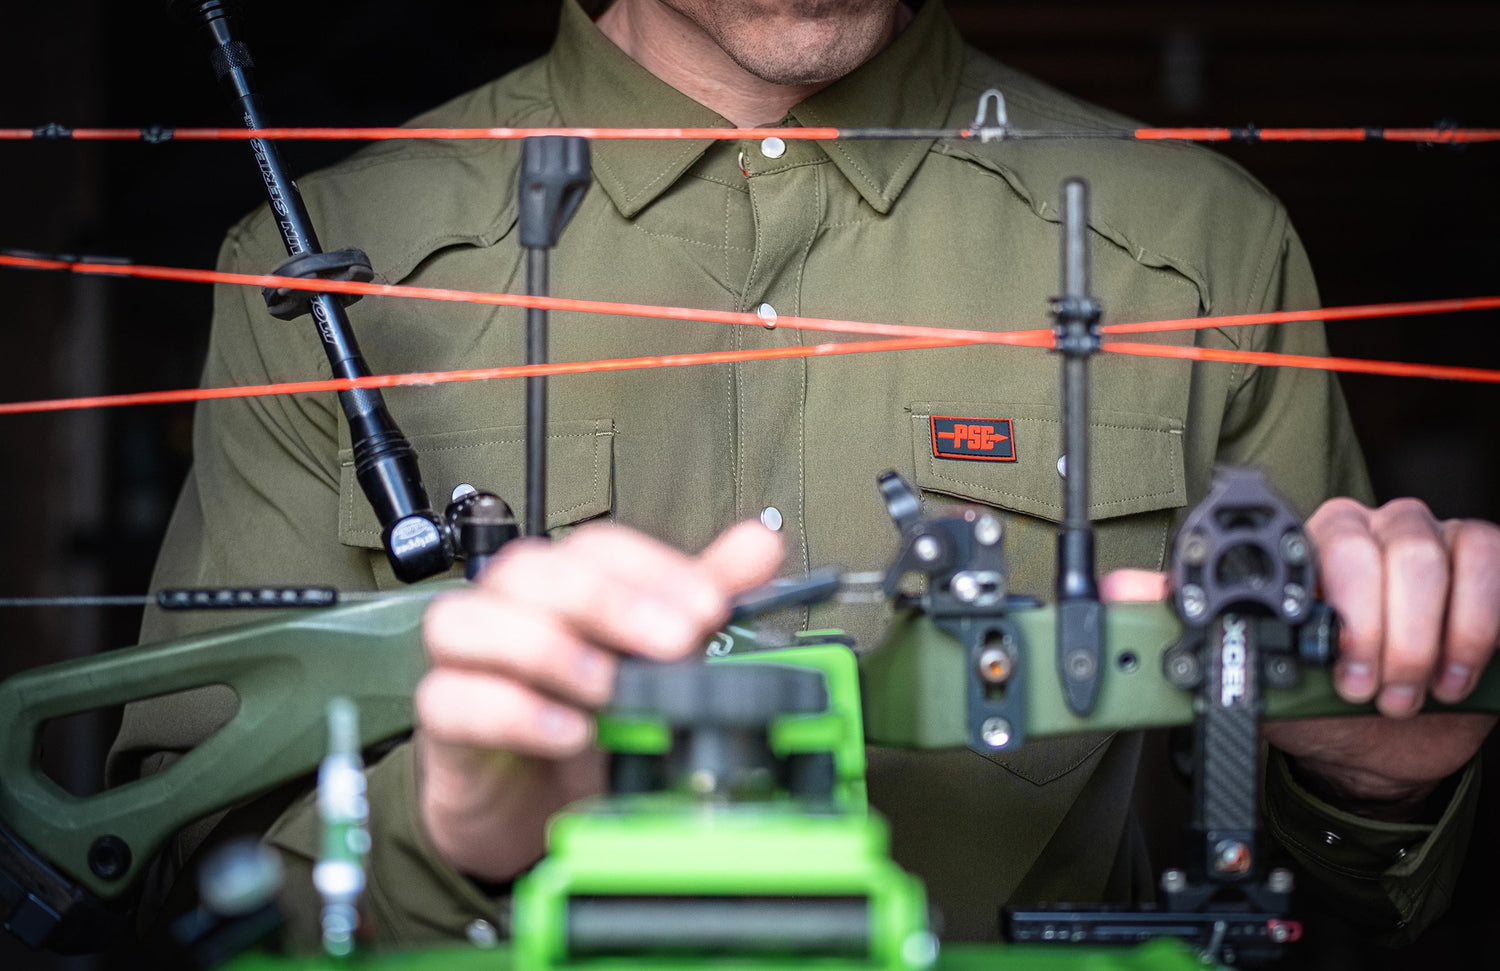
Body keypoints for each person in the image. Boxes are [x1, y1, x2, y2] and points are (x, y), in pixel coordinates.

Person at [112, 0, 1498, 951]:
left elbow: (1349, 898)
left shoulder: (1202, 251)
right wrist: (451, 829)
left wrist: (1377, 780)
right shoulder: (325, 264)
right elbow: (176, 874)